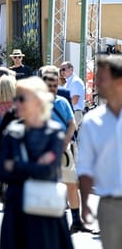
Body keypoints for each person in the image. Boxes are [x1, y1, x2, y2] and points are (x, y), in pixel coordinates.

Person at [0, 77, 72, 249]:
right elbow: (2, 172)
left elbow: (48, 171)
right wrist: (35, 165)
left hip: (44, 208)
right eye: (16, 98)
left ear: (38, 100)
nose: (16, 103)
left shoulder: (53, 133)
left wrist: (16, 165)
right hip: (16, 207)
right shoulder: (12, 131)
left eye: (21, 98)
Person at [40, 68, 93, 234]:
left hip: (62, 149)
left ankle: (76, 221)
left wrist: (65, 143)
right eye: (49, 85)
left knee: (70, 184)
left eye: (55, 85)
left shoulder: (62, 102)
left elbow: (72, 124)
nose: (52, 88)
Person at [78, 55, 122, 248]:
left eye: (102, 78)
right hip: (110, 206)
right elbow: (86, 166)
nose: (96, 84)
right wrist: (85, 202)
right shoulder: (92, 121)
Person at [59, 61, 86, 126]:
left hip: (75, 113)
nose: (62, 72)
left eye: (63, 69)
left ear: (71, 69)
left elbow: (74, 100)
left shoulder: (75, 81)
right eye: (60, 70)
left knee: (69, 134)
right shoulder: (68, 82)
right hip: (71, 113)